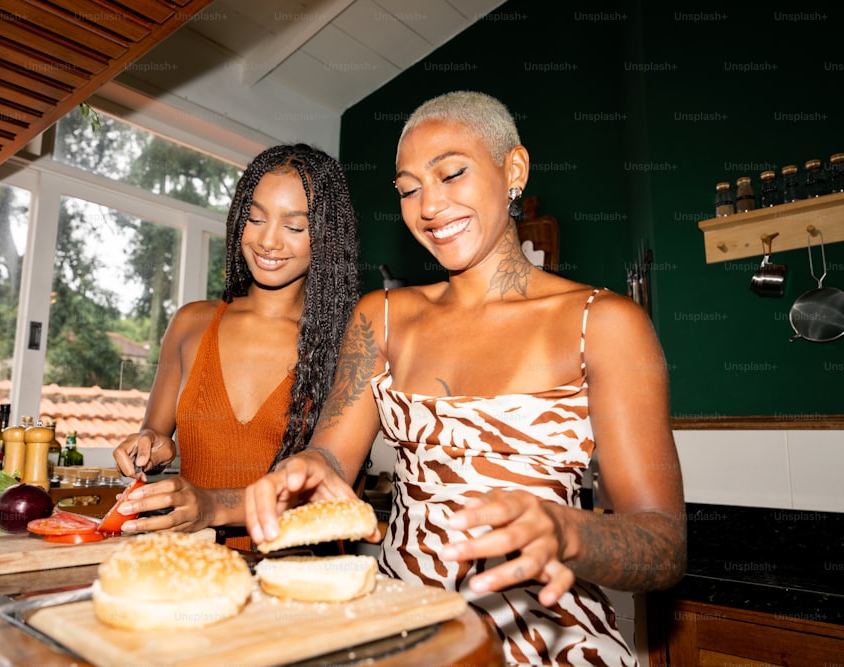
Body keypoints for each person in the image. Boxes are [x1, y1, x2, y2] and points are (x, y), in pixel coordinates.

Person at [246, 91, 686, 665]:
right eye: (407, 189)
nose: (429, 206)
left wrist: (568, 531)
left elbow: (663, 543)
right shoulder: (379, 317)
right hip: (403, 630)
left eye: (451, 173)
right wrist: (307, 465)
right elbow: (332, 456)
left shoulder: (603, 324)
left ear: (514, 170)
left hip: (547, 638)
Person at [112, 143, 359, 550]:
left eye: (294, 227)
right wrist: (150, 444)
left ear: (326, 238)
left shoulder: (346, 341)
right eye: (255, 218)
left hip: (298, 577)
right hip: (194, 563)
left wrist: (213, 505)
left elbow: (334, 489)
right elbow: (157, 432)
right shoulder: (191, 323)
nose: (268, 241)